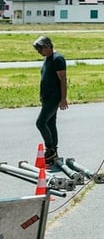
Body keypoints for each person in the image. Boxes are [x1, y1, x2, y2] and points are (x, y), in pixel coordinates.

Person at [34, 35, 68, 166]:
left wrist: (63, 98)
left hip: (54, 98)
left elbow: (63, 79)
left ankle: (50, 149)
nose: (39, 52)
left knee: (40, 123)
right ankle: (54, 152)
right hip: (47, 97)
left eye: (40, 49)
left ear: (47, 46)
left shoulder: (57, 59)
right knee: (50, 123)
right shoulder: (47, 58)